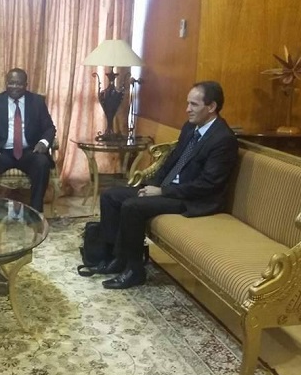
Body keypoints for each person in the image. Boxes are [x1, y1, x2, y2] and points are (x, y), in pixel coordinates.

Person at [95, 81, 239, 289]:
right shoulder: (190, 127)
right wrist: (151, 185)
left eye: (194, 104)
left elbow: (208, 185)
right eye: (187, 103)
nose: (187, 109)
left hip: (194, 199)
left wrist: (162, 191)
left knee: (132, 206)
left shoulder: (223, 139)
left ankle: (134, 271)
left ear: (212, 107)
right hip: (170, 189)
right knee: (110, 195)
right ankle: (116, 258)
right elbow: (171, 161)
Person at [0, 68, 56, 212]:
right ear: (6, 83)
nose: (15, 87)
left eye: (19, 84)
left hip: (29, 151)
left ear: (26, 85)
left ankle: (36, 212)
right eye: (11, 83)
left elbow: (49, 128)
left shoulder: (37, 102)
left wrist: (43, 143)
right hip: (1, 151)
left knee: (42, 163)